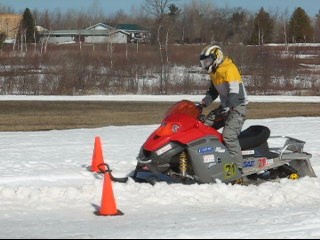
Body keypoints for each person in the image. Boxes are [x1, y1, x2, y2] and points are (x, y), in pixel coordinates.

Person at [199, 44, 248, 171]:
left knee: (228, 136)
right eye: (204, 62)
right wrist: (203, 103)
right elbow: (213, 92)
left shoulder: (229, 68)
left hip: (237, 107)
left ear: (217, 57)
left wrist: (229, 107)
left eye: (208, 61)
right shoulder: (215, 73)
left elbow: (234, 91)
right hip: (225, 107)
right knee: (203, 126)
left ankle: (238, 169)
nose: (206, 64)